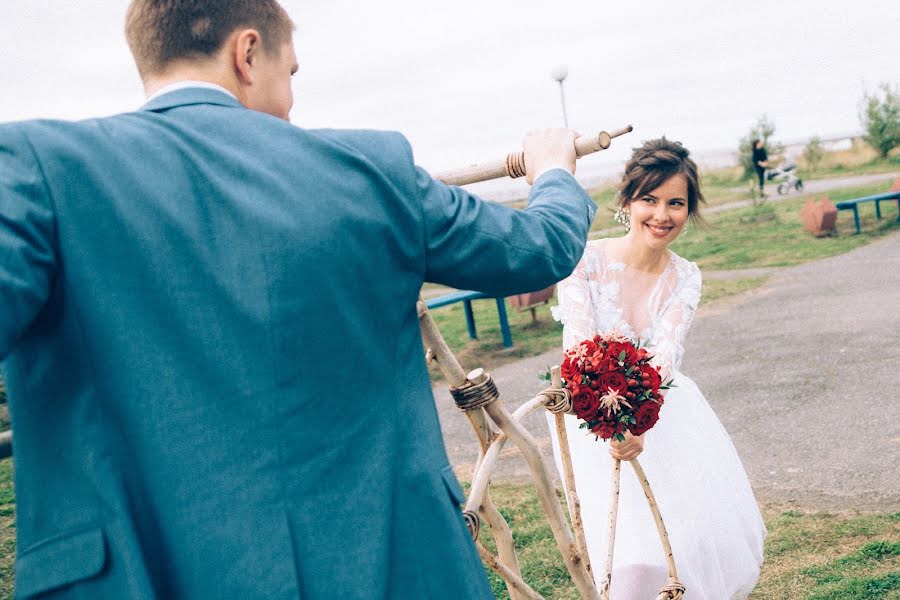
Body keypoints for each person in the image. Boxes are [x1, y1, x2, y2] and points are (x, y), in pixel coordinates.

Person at [0, 1, 597, 598]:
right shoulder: (372, 169)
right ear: (248, 53)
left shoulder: (35, 170)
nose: (291, 102)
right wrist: (554, 172)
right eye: (291, 75)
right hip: (386, 570)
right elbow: (537, 250)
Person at [547, 138, 766, 599]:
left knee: (680, 543)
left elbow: (665, 355)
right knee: (625, 548)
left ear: (690, 210)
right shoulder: (582, 261)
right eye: (649, 199)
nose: (661, 215)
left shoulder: (686, 276)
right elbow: (581, 349)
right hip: (592, 415)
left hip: (663, 415)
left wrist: (639, 418)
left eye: (676, 203)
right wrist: (612, 422)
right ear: (627, 201)